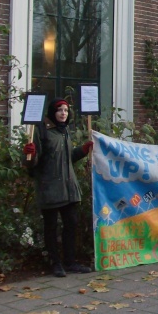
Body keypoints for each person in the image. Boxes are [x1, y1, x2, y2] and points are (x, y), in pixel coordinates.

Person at [23, 98, 94, 278]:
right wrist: (29, 154)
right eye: (59, 110)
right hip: (50, 188)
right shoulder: (42, 132)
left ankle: (70, 262)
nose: (63, 113)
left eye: (66, 110)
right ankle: (55, 263)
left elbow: (68, 157)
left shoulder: (65, 131)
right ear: (52, 113)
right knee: (51, 226)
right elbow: (31, 164)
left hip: (68, 187)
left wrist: (84, 150)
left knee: (71, 223)